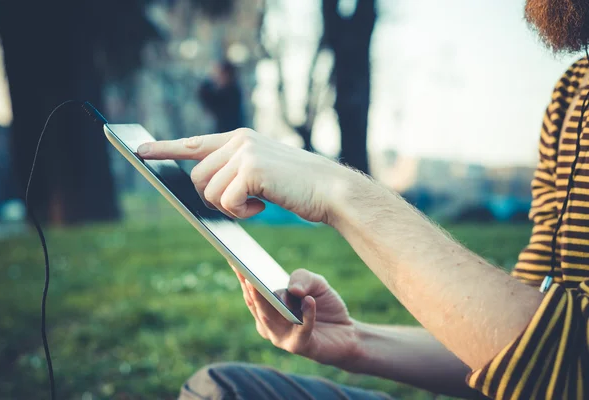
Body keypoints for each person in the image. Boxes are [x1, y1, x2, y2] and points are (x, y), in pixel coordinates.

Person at [136, 1, 589, 398]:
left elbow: (574, 371)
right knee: (222, 390)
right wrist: (357, 341)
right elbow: (518, 350)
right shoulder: (572, 91)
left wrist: (340, 190)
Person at [198, 60, 245, 133]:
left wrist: (209, 79)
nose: (218, 78)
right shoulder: (232, 90)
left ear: (227, 75)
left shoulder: (231, 92)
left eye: (220, 74)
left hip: (230, 132)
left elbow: (211, 100)